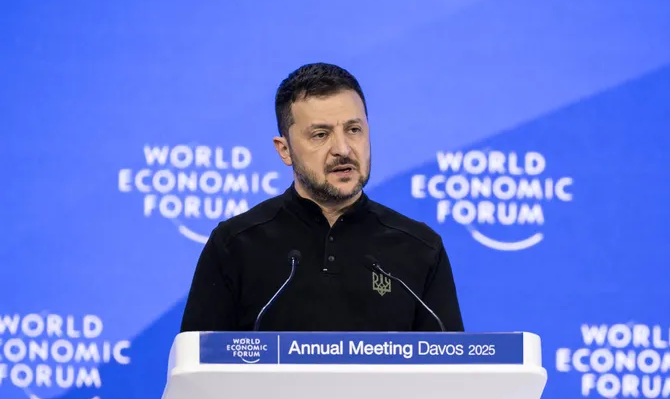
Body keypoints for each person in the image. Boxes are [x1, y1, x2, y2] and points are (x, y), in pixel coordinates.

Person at [179, 63, 464, 333]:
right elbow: (197, 368)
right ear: (285, 150)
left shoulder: (420, 248)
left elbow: (449, 373)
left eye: (354, 130)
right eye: (320, 134)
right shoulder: (235, 244)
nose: (343, 149)